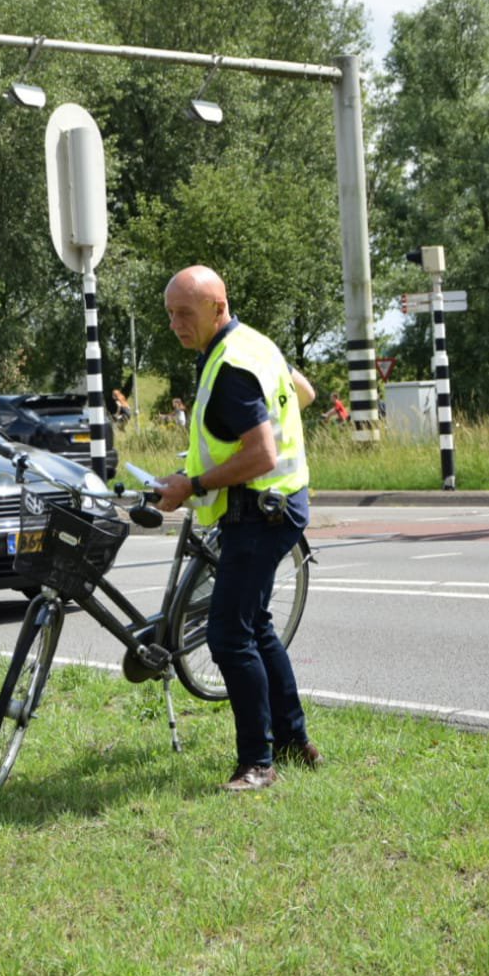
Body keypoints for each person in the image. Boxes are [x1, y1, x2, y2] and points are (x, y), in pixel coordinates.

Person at [152, 264, 320, 792]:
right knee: (256, 625)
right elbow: (305, 393)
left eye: (185, 313)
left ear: (217, 307)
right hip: (279, 504)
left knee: (228, 636)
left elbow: (263, 453)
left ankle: (258, 763)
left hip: (259, 513)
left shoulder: (230, 369)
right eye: (170, 314)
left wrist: (193, 483)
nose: (176, 324)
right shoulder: (251, 344)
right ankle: (294, 741)